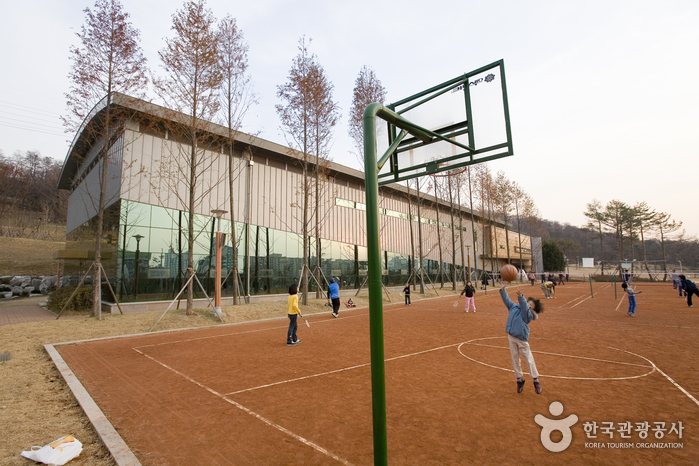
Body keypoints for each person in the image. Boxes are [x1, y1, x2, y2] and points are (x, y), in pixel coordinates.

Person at [500, 282, 544, 394]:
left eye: (531, 305)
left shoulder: (528, 315)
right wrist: (503, 290)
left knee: (529, 359)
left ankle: (535, 380)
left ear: (533, 309)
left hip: (521, 339)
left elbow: (524, 307)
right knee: (515, 358)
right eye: (528, 303)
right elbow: (506, 300)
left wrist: (521, 296)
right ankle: (519, 379)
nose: (529, 305)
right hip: (511, 336)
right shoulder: (514, 307)